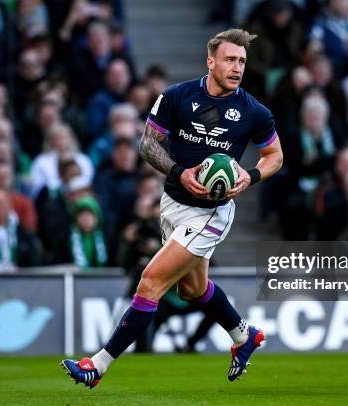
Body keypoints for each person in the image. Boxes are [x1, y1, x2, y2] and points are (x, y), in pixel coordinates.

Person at [61, 28, 283, 387]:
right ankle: (245, 336)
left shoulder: (254, 112)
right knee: (193, 290)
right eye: (229, 59)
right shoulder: (176, 97)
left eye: (241, 61)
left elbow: (275, 156)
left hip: (212, 212)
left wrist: (251, 176)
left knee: (149, 283)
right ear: (210, 61)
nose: (237, 67)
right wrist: (180, 173)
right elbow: (148, 144)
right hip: (174, 202)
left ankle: (97, 365)